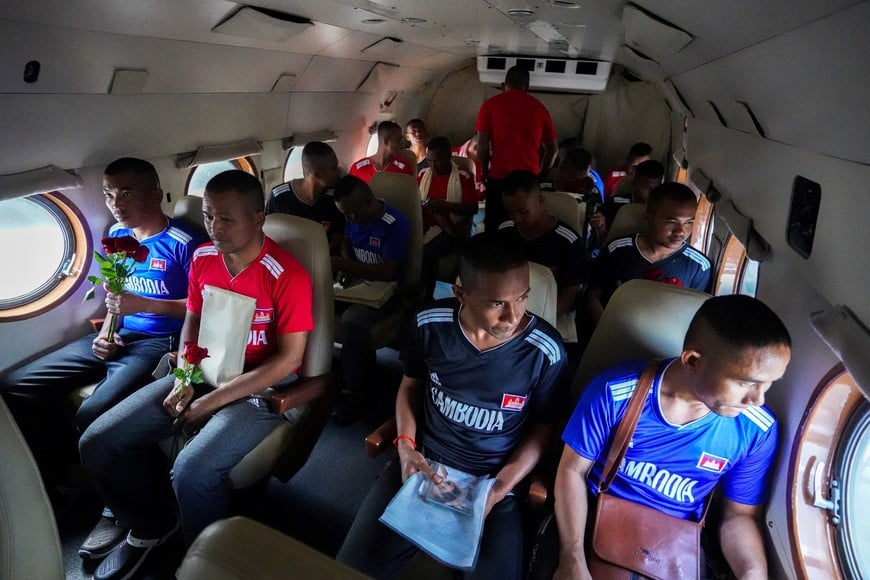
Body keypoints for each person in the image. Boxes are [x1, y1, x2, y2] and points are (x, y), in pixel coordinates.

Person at [79, 170, 313, 579]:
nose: (214, 228)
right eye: (208, 216)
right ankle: (151, 525)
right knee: (98, 442)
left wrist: (212, 401)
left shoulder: (285, 274)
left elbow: (289, 360)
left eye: (227, 219)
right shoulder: (203, 258)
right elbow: (193, 320)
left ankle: (207, 565)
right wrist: (185, 378)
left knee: (191, 473)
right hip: (202, 371)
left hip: (260, 387)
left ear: (257, 218)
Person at [336, 232, 568, 579]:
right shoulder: (430, 323)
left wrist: (499, 489)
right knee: (348, 570)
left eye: (522, 298)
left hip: (493, 479)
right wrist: (406, 449)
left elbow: (543, 429)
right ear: (461, 293)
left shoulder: (544, 351)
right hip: (426, 464)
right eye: (497, 304)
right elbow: (410, 386)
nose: (513, 316)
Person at [547, 295, 791, 580]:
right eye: (745, 383)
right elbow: (572, 471)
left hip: (675, 548)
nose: (758, 400)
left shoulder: (757, 429)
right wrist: (572, 558)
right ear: (693, 361)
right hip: (591, 522)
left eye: (768, 385)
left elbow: (739, 515)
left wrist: (752, 573)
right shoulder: (615, 393)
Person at [0, 157, 204, 437]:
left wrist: (145, 305)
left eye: (127, 194)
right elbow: (116, 294)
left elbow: (204, 308)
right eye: (108, 194)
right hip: (121, 335)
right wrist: (106, 334)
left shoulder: (186, 243)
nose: (115, 204)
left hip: (162, 341)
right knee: (15, 386)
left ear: (155, 195)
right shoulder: (117, 234)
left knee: (90, 413)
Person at [331, 175, 410, 424]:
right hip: (359, 281)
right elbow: (346, 241)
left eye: (352, 213)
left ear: (368, 202)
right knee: (315, 301)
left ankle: (353, 391)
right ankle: (326, 374)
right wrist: (346, 263)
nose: (349, 219)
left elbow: (388, 273)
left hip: (389, 290)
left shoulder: (393, 223)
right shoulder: (353, 217)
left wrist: (346, 265)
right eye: (345, 214)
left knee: (353, 320)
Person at [585, 182, 711, 328]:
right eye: (671, 222)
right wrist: (607, 331)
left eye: (689, 222)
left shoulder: (699, 267)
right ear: (649, 218)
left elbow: (693, 318)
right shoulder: (618, 250)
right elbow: (592, 297)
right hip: (613, 327)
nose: (681, 231)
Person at [499, 171, 585, 332]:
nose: (516, 219)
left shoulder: (569, 242)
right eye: (510, 212)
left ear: (541, 200)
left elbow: (568, 298)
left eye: (523, 212)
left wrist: (528, 324)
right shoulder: (505, 231)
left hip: (550, 314)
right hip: (509, 312)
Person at [476, 66, 558, 233]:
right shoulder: (540, 108)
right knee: (526, 228)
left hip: (499, 178)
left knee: (495, 230)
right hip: (528, 180)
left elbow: (482, 145)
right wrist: (540, 175)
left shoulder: (490, 105)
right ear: (527, 87)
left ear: (503, 85)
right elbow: (553, 150)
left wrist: (484, 171)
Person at [417, 136, 478, 297]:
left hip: (451, 232)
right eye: (430, 161)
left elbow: (472, 208)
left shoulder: (463, 177)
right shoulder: (423, 174)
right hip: (425, 227)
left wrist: (443, 205)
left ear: (449, 157)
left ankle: (426, 296)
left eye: (438, 161)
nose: (433, 166)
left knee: (427, 253)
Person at [265, 140, 344, 253]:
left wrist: (318, 257)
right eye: (334, 168)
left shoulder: (335, 195)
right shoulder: (279, 198)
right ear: (317, 174)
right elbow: (268, 236)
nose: (339, 172)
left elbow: (338, 236)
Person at [590, 159, 665, 242]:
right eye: (646, 188)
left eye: (656, 188)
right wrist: (601, 225)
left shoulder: (663, 210)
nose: (651, 193)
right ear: (636, 183)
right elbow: (602, 239)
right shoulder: (614, 203)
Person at [350, 121, 415, 183]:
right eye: (398, 141)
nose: (402, 144)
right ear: (386, 141)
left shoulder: (404, 170)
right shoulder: (358, 169)